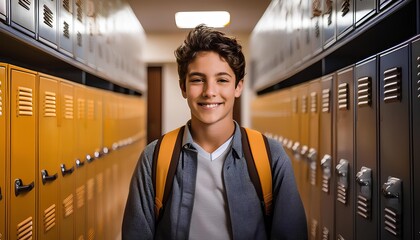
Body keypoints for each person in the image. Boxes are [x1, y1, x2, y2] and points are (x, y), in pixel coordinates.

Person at [122, 24, 307, 239]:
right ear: (183, 87)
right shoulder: (154, 158)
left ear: (238, 87)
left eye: (222, 80)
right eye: (198, 80)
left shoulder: (269, 156)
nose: (210, 92)